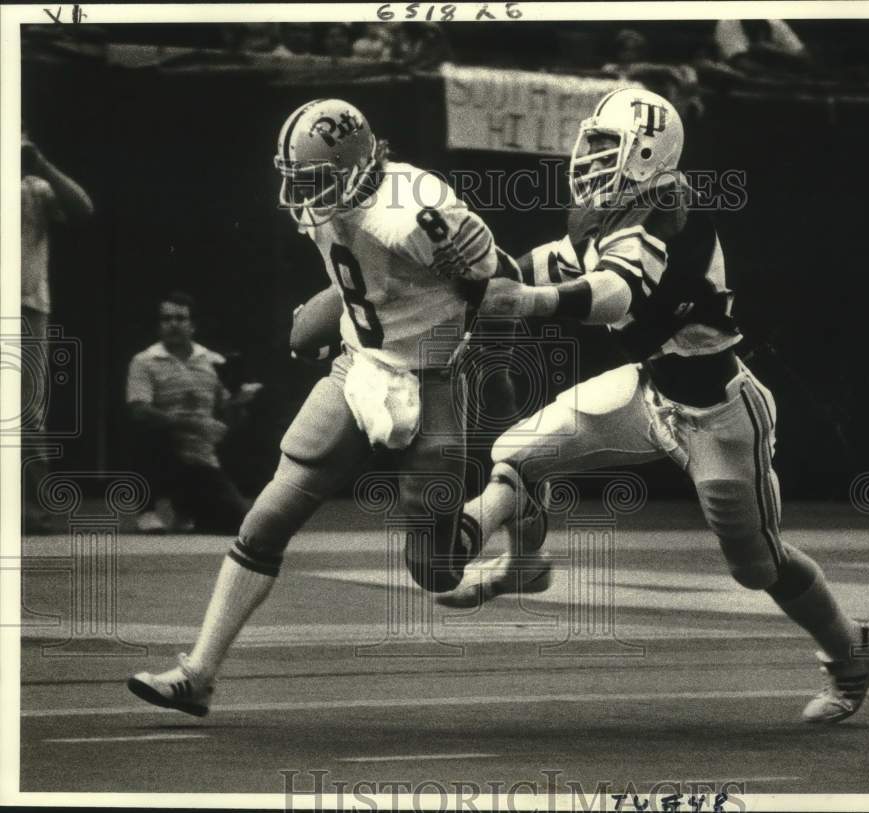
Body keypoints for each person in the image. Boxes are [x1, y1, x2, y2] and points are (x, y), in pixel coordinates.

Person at [441, 88, 869, 724]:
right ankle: (520, 559)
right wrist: (483, 278)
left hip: (720, 413)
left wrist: (527, 302)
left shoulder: (666, 212)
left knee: (758, 566)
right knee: (515, 452)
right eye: (591, 143)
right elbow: (549, 265)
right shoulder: (613, 209)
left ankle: (852, 648)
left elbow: (615, 293)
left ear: (648, 150)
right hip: (651, 390)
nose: (590, 157)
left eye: (605, 145)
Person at [126, 99, 513, 716]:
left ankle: (502, 503)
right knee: (267, 517)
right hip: (358, 367)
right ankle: (197, 673)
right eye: (297, 177)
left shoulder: (417, 209)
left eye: (315, 179)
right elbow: (355, 271)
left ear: (357, 165)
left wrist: (481, 363)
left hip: (436, 377)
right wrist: (332, 309)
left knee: (433, 569)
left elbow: (499, 282)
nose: (302, 194)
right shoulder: (331, 203)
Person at [126, 291, 257, 533]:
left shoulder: (213, 361)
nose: (173, 324)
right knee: (147, 431)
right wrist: (192, 424)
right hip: (163, 452)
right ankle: (148, 511)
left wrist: (239, 402)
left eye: (180, 318)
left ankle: (188, 510)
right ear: (158, 326)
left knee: (238, 522)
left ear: (192, 325)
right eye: (166, 319)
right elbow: (139, 411)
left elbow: (226, 416)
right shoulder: (144, 362)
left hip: (201, 456)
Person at [21, 129, 94, 534]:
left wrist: (40, 163)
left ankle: (33, 511)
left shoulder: (33, 187)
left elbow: (83, 210)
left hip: (25, 305)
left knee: (25, 414)